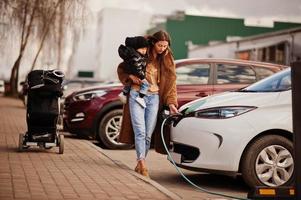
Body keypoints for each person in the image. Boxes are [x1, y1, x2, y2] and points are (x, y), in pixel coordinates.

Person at [117, 30, 178, 177]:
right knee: (140, 131)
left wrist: (171, 103)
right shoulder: (142, 52)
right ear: (153, 43)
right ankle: (142, 163)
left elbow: (171, 83)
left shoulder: (167, 59)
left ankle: (140, 162)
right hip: (137, 94)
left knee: (148, 135)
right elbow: (122, 67)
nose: (162, 48)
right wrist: (130, 76)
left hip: (154, 98)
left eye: (165, 46)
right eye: (160, 45)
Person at [118, 36, 149, 108]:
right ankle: (140, 97)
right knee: (146, 84)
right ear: (136, 49)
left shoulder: (134, 56)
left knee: (129, 83)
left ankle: (123, 93)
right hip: (137, 78)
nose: (144, 51)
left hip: (133, 76)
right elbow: (138, 68)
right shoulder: (137, 57)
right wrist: (142, 76)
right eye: (142, 49)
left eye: (145, 49)